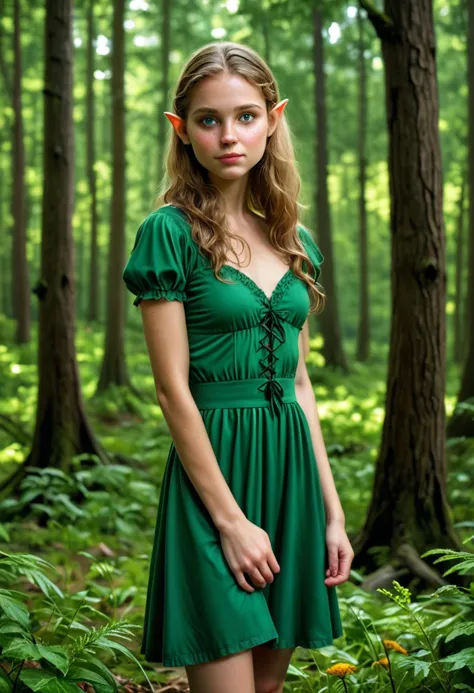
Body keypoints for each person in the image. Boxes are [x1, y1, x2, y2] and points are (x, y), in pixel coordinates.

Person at [122, 41, 353, 693]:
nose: (229, 135)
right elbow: (172, 391)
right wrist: (229, 520)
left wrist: (332, 514)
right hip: (214, 482)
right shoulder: (168, 233)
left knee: (270, 687)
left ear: (273, 118)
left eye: (246, 116)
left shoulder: (294, 239)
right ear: (181, 128)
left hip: (290, 479)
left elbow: (300, 384)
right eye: (209, 119)